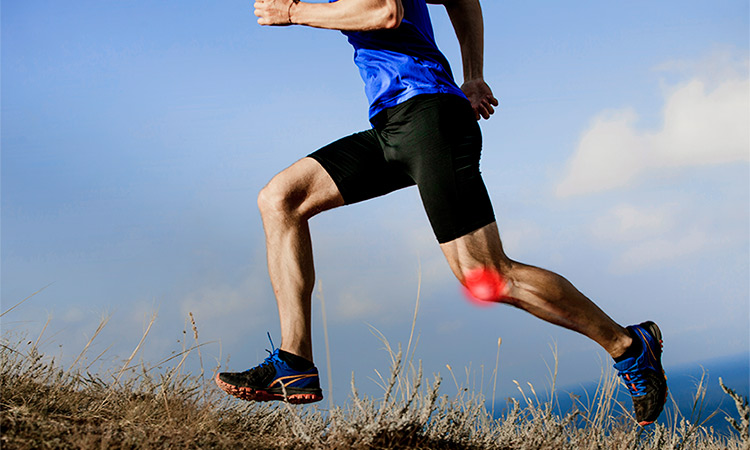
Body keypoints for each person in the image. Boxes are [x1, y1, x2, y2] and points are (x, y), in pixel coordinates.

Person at [215, 0, 668, 426]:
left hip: (429, 116)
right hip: (393, 125)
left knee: (486, 275)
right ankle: (294, 363)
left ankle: (628, 344)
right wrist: (473, 75)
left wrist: (292, 12)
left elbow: (383, 10)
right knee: (281, 200)